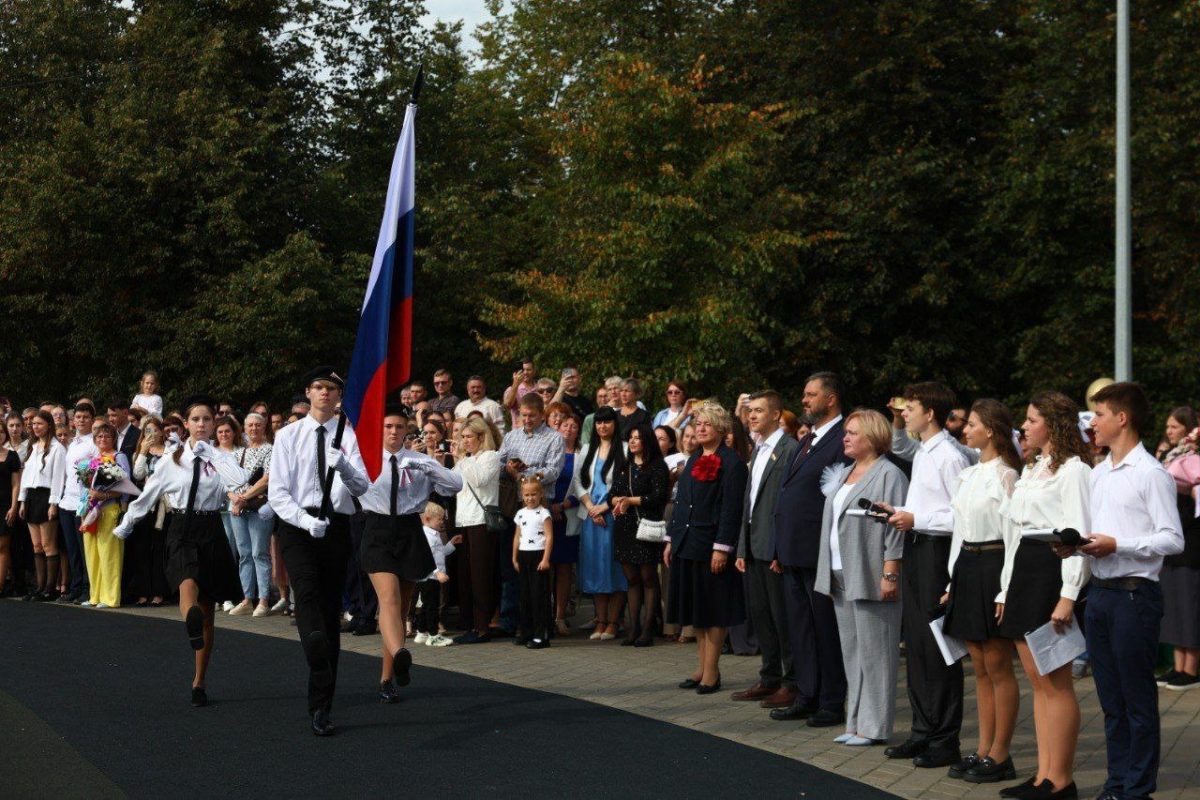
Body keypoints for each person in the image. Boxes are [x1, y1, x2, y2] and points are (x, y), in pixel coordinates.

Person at [1074, 382, 1184, 800]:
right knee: (1111, 700)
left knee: (1137, 701)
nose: (1093, 423)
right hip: (1101, 593)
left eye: (1099, 414)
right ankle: (1116, 782)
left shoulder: (1151, 472)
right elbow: (1099, 533)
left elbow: (1173, 539)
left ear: (1122, 418)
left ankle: (1137, 789)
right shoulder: (1099, 472)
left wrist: (1119, 545)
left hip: (1135, 595)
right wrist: (1076, 543)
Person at [114, 396, 248, 707]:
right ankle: (190, 619)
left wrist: (215, 456)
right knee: (187, 583)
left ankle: (199, 681)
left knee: (208, 612)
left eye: (207, 420)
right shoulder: (170, 460)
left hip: (211, 527)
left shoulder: (222, 458)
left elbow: (239, 484)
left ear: (213, 424)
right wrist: (127, 524)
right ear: (185, 425)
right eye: (196, 420)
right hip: (181, 529)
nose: (202, 425)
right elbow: (148, 496)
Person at [995, 391, 1093, 799]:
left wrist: (1069, 593)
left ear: (1052, 423)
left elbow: (1077, 530)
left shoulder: (1073, 470)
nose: (1024, 426)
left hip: (1053, 569)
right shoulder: (1033, 469)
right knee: (1037, 681)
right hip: (1025, 570)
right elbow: (1014, 535)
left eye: (1032, 419)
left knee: (1056, 682)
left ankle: (1061, 779)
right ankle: (1043, 775)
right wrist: (1004, 588)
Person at [268, 366, 370, 736]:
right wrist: (302, 519)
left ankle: (322, 704)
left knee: (328, 611)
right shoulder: (288, 435)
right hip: (297, 526)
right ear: (308, 393)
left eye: (331, 388)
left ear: (339, 396)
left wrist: (343, 464)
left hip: (336, 526)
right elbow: (277, 491)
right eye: (318, 387)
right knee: (306, 591)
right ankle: (314, 650)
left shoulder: (349, 435)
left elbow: (361, 487)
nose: (325, 393)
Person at [880, 382, 971, 767]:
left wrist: (917, 518)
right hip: (918, 546)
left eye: (911, 407)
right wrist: (901, 511)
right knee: (916, 646)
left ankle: (945, 738)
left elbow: (962, 515)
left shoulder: (950, 456)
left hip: (938, 552)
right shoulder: (923, 452)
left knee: (937, 649)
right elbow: (924, 502)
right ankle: (922, 730)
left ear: (930, 413)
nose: (905, 413)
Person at [941, 400, 1023, 783]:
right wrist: (951, 580)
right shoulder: (970, 475)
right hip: (969, 567)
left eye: (971, 424)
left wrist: (1006, 590)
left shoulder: (1006, 475)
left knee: (998, 663)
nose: (964, 429)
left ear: (990, 430)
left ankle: (1001, 754)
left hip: (994, 565)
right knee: (978, 664)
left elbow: (1013, 537)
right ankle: (983, 748)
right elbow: (959, 531)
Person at [814, 409, 908, 746]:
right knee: (852, 652)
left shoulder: (890, 474)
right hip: (841, 572)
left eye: (853, 432)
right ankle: (854, 721)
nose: (846, 437)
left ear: (872, 436)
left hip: (871, 572)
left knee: (877, 653)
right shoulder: (846, 472)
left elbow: (895, 528)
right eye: (846, 432)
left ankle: (875, 727)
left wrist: (890, 572)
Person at [359, 405, 462, 702]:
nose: (393, 431)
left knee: (402, 608)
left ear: (406, 430)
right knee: (388, 599)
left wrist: (430, 466)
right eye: (388, 426)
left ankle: (388, 676)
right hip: (377, 529)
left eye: (399, 427)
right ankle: (401, 652)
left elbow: (456, 485)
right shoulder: (365, 459)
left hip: (409, 530)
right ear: (380, 429)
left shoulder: (418, 460)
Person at [770, 372, 850, 726]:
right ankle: (808, 693)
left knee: (825, 630)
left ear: (830, 399)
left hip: (820, 551)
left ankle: (831, 701)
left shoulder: (843, 437)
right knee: (801, 628)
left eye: (810, 394)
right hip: (794, 551)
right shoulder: (809, 438)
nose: (803, 400)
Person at [665, 401, 748, 693]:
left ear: (722, 429)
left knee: (713, 611)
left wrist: (722, 548)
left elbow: (730, 509)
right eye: (697, 423)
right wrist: (670, 539)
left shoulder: (732, 463)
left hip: (710, 546)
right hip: (687, 543)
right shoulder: (694, 458)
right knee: (697, 611)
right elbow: (681, 502)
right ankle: (701, 668)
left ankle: (712, 672)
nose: (700, 428)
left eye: (707, 424)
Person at [733, 390, 802, 708]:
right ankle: (770, 676)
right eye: (750, 411)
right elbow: (750, 502)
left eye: (759, 410)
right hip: (754, 546)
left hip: (774, 550)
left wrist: (780, 549)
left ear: (777, 414)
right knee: (760, 616)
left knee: (781, 618)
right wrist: (742, 548)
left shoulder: (789, 449)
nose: (753, 416)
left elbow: (787, 505)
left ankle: (792, 680)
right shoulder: (758, 449)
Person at [611, 421, 670, 647]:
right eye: (631, 438)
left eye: (638, 437)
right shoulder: (624, 465)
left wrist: (631, 500)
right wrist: (617, 500)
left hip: (646, 526)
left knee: (648, 578)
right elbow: (612, 494)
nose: (633, 441)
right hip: (625, 527)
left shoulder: (657, 466)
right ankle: (633, 627)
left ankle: (648, 628)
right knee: (632, 579)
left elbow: (658, 497)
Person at [574, 406, 628, 640]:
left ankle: (614, 623)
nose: (602, 426)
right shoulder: (587, 449)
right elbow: (578, 482)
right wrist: (590, 507)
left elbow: (624, 483)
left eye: (607, 422)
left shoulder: (624, 450)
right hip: (591, 518)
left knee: (614, 568)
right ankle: (601, 621)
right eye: (598, 422)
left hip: (613, 515)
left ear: (615, 424)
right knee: (595, 569)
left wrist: (604, 507)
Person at [1157, 407, 1200, 690]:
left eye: (1174, 427)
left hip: (1192, 540)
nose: (1169, 432)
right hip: (1173, 542)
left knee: (1189, 604)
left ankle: (1192, 668)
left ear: (1188, 428)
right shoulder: (1169, 457)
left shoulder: (1192, 458)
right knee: (1173, 605)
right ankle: (1178, 664)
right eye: (1168, 426)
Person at [451, 416, 502, 644]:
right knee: (465, 576)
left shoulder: (491, 457)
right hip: (464, 521)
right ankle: (469, 624)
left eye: (469, 437)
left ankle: (483, 627)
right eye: (462, 437)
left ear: (481, 437)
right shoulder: (465, 460)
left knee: (481, 575)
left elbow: (480, 480)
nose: (464, 441)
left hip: (482, 522)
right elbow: (451, 484)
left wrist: (464, 458)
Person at [226, 413, 274, 617]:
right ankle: (247, 598)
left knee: (259, 553)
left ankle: (263, 600)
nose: (254, 428)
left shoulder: (270, 449)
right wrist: (234, 497)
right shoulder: (239, 452)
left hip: (257, 508)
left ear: (264, 427)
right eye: (250, 425)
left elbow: (267, 479)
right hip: (237, 507)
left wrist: (243, 498)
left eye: (258, 425)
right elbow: (226, 479)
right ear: (244, 428)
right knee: (244, 554)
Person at [18, 410, 66, 601]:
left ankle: (50, 587)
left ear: (48, 425)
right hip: (31, 496)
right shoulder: (33, 446)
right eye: (34, 424)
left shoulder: (57, 448)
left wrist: (53, 503)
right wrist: (22, 500)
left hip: (46, 496)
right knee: (37, 546)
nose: (35, 427)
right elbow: (26, 476)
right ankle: (39, 586)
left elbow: (58, 478)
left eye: (40, 423)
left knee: (48, 545)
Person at [58, 402, 97, 604]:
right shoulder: (72, 443)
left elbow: (95, 474)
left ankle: (87, 588)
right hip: (67, 500)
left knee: (84, 549)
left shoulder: (94, 443)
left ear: (92, 420)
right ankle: (75, 586)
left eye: (85, 417)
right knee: (72, 549)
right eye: (78, 417)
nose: (81, 420)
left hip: (83, 503)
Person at [128, 417, 169, 607]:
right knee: (143, 549)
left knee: (159, 549)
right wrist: (144, 451)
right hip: (146, 505)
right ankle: (144, 591)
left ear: (162, 432)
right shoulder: (139, 453)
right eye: (146, 431)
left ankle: (159, 592)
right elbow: (138, 474)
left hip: (164, 505)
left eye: (154, 430)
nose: (150, 435)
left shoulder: (170, 451)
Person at [550, 413, 582, 636]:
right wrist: (550, 507)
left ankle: (560, 616)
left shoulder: (581, 456)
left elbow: (585, 487)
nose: (569, 429)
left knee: (563, 569)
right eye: (565, 425)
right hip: (546, 516)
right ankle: (544, 615)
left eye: (573, 426)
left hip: (568, 515)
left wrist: (562, 506)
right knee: (545, 567)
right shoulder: (549, 453)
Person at [513, 477, 554, 648]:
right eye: (527, 494)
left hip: (538, 556)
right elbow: (517, 536)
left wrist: (545, 559)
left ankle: (541, 635)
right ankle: (526, 631)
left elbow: (549, 536)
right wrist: (514, 557)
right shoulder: (520, 513)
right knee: (525, 596)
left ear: (540, 494)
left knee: (539, 596)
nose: (530, 498)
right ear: (522, 495)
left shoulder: (544, 513)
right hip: (523, 556)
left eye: (533, 494)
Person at [413, 502, 458, 648]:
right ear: (427, 519)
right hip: (430, 578)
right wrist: (437, 572)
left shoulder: (434, 534)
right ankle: (433, 635)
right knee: (432, 606)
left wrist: (451, 543)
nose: (442, 522)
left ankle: (421, 631)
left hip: (430, 577)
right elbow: (425, 558)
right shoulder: (428, 536)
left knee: (427, 605)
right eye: (439, 519)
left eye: (443, 519)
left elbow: (440, 552)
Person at [0, 422, 21, 596]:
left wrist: (14, 506)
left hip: (5, 506)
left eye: (1, 432)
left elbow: (16, 485)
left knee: (3, 546)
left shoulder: (12, 456)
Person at [503, 358, 538, 428]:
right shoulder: (511, 389)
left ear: (534, 371)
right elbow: (507, 405)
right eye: (523, 370)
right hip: (518, 432)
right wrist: (515, 384)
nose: (525, 372)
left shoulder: (541, 389)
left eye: (528, 370)